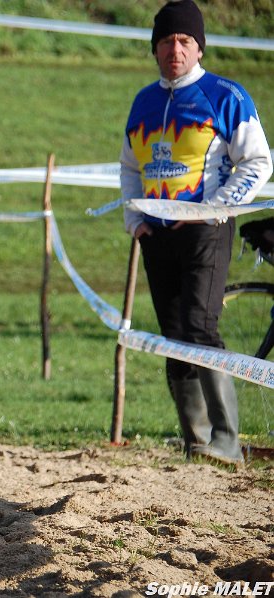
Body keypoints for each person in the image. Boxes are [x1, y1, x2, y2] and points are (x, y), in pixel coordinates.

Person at [120, 0, 272, 466]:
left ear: (199, 47)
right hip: (156, 235)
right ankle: (197, 441)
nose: (176, 50)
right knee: (173, 336)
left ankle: (227, 439)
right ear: (155, 48)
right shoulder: (143, 102)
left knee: (200, 328)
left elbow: (258, 162)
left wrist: (216, 208)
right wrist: (135, 221)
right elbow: (129, 167)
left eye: (185, 41)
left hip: (207, 232)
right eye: (167, 41)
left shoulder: (225, 96)